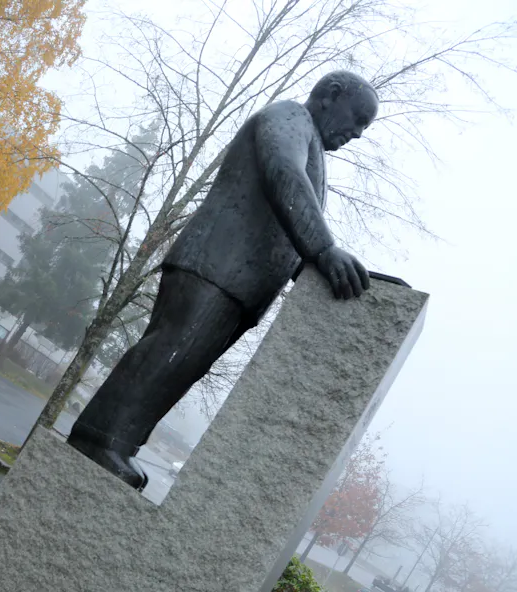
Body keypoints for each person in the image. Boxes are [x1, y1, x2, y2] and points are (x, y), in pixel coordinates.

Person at [67, 71, 380, 489]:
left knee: (183, 366)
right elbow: (283, 174)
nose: (357, 133)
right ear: (331, 96)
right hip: (215, 264)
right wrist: (324, 250)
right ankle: (97, 439)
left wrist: (317, 268)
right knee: (171, 350)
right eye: (358, 119)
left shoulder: (313, 145)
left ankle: (117, 443)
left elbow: (283, 225)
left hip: (239, 285)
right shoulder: (289, 116)